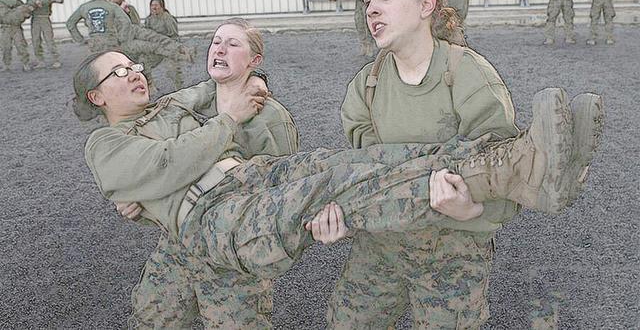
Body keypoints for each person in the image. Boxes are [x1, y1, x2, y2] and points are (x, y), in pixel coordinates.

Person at [75, 40, 599, 327]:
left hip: (249, 184)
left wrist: (245, 79)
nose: (135, 73)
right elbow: (172, 162)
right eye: (118, 73)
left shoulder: (171, 105)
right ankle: (519, 173)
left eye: (135, 65)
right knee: (342, 194)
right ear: (96, 98)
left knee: (352, 166)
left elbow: (211, 89)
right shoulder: (104, 147)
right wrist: (227, 121)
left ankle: (520, 162)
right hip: (216, 221)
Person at [323, 0, 602, 328]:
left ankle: (548, 169)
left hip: (452, 248)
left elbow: (503, 187)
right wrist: (344, 215)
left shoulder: (467, 73)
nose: (372, 8)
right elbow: (369, 170)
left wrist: (471, 211)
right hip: (381, 244)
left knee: (500, 164)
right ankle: (544, 166)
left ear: (426, 5)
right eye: (368, 0)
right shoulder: (366, 84)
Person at [124, 18, 300, 328]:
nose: (220, 49)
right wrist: (138, 204)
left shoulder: (270, 118)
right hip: (176, 249)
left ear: (254, 60)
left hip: (230, 259)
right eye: (216, 41)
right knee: (149, 321)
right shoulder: (189, 108)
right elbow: (163, 170)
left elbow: (282, 195)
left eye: (233, 44)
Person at [66, 0, 131, 53]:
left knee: (96, 62)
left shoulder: (84, 7)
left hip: (94, 43)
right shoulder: (113, 6)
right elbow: (126, 22)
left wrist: (80, 39)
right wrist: (121, 38)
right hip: (111, 42)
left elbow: (70, 23)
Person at [144, 0, 184, 89]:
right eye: (152, 5)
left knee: (172, 70)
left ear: (162, 6)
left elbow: (174, 36)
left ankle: (179, 89)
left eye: (156, 5)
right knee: (144, 63)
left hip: (168, 47)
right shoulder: (149, 20)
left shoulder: (168, 18)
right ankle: (151, 88)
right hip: (155, 48)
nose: (154, 7)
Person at [26, 0, 65, 69]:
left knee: (49, 40)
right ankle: (40, 61)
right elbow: (28, 5)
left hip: (44, 18)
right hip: (35, 19)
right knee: (36, 41)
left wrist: (41, 3)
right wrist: (36, 4)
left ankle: (56, 60)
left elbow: (48, 5)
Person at [0, 0, 33, 72]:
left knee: (21, 46)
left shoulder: (18, 2)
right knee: (5, 47)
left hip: (16, 28)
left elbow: (27, 12)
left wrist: (23, 16)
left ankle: (25, 64)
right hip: (5, 28)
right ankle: (6, 65)